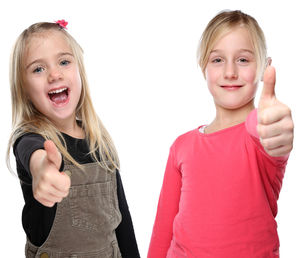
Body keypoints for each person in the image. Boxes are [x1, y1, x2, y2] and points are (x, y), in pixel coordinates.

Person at [148, 10, 294, 258]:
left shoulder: (259, 134)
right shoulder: (182, 146)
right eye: (217, 60)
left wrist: (273, 126)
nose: (230, 72)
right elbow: (163, 230)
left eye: (243, 60)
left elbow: (265, 131)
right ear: (203, 66)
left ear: (264, 67)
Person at [6, 20, 140, 258]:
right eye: (38, 69)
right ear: (24, 88)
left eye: (64, 62)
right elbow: (33, 156)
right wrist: (42, 171)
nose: (54, 74)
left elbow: (122, 222)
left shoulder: (100, 141)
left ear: (79, 71)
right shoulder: (30, 139)